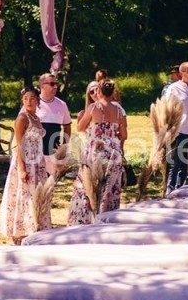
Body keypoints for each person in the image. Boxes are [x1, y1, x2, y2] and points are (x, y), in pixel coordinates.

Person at [0, 85, 51, 244]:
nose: (29, 101)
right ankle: (21, 232)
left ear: (38, 100)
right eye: (26, 99)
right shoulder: (22, 118)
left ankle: (36, 228)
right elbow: (18, 145)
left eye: (32, 98)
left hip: (37, 161)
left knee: (36, 195)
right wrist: (21, 168)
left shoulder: (37, 118)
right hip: (25, 161)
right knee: (24, 195)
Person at [68, 80, 127, 225]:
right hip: (113, 151)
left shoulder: (94, 107)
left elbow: (80, 128)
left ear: (99, 92)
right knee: (109, 188)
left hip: (96, 149)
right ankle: (106, 220)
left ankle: (86, 219)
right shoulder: (119, 110)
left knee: (87, 185)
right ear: (113, 92)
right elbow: (124, 135)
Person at [162, 61, 188, 190]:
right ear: (181, 73)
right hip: (178, 130)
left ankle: (180, 189)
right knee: (175, 163)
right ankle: (170, 189)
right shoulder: (173, 88)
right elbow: (166, 108)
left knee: (185, 163)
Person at [36, 72, 71, 173]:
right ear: (42, 85)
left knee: (49, 185)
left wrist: (64, 148)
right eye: (52, 84)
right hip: (35, 152)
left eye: (56, 84)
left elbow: (67, 127)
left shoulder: (62, 105)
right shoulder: (33, 103)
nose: (55, 87)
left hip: (53, 152)